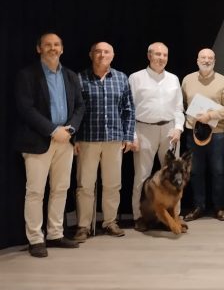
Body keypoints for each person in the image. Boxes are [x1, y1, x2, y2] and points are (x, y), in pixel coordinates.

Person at [16, 32, 85, 257]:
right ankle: (36, 239)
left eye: (56, 45)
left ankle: (55, 234)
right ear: (39, 49)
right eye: (48, 45)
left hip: (65, 140)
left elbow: (80, 106)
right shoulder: (27, 75)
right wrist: (53, 130)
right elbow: (25, 109)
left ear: (62, 49)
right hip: (38, 141)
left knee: (60, 189)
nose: (52, 48)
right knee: (35, 192)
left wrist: (70, 130)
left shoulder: (70, 75)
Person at [73, 42, 136, 242]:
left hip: (114, 139)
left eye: (106, 51)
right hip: (87, 139)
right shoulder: (80, 78)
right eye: (98, 51)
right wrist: (74, 137)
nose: (102, 55)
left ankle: (110, 222)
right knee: (85, 185)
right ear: (91, 54)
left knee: (112, 184)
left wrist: (128, 136)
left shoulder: (121, 78)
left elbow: (128, 109)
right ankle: (83, 225)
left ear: (113, 55)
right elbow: (73, 109)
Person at [128, 42, 184, 227]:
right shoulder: (136, 78)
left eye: (164, 55)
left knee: (174, 176)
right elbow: (129, 109)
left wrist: (178, 128)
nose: (161, 58)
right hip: (144, 129)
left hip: (169, 130)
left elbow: (178, 107)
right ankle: (139, 216)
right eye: (157, 54)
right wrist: (132, 135)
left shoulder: (173, 79)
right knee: (142, 175)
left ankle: (174, 216)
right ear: (149, 56)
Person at [181, 48, 224, 222]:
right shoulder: (187, 80)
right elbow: (182, 105)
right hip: (193, 133)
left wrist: (211, 115)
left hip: (217, 134)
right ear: (197, 60)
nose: (206, 60)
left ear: (214, 61)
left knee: (218, 171)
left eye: (210, 58)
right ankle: (198, 206)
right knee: (195, 171)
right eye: (203, 57)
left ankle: (219, 208)